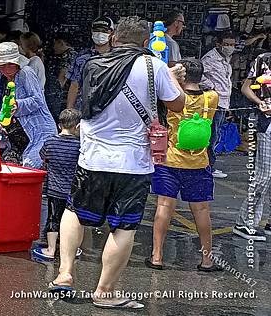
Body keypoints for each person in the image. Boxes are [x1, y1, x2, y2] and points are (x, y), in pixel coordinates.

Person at [49, 16, 185, 309]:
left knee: (74, 211)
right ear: (146, 42)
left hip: (93, 158)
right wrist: (172, 75)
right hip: (133, 163)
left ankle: (65, 274)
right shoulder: (154, 66)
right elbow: (177, 103)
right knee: (124, 227)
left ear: (113, 37)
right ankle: (105, 291)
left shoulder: (92, 65)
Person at [146, 59, 222, 272]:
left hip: (170, 160)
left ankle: (157, 256)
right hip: (199, 163)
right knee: (201, 210)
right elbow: (208, 91)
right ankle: (207, 260)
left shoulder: (174, 99)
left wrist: (170, 75)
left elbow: (171, 96)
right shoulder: (211, 98)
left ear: (181, 76)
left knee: (164, 207)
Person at [0, 42, 56, 168]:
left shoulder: (26, 73)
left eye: (10, 65)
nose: (7, 69)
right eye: (2, 65)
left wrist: (17, 105)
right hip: (12, 136)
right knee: (6, 167)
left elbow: (38, 100)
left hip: (38, 132)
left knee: (32, 167)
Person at [31, 109, 82, 262]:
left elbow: (43, 156)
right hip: (73, 190)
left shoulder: (50, 142)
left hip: (53, 189)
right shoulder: (79, 146)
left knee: (53, 218)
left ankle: (51, 250)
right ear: (77, 127)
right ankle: (73, 249)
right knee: (74, 220)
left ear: (60, 125)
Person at [233, 52, 271, 241]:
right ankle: (245, 222)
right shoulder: (263, 60)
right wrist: (260, 102)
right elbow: (246, 88)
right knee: (263, 175)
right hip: (268, 121)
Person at [200, 32, 236, 179]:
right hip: (214, 101)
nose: (230, 47)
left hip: (223, 102)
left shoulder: (225, 59)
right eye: (227, 44)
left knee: (216, 134)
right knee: (212, 136)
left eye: (232, 44)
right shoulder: (210, 58)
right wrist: (211, 87)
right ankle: (208, 166)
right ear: (218, 44)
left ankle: (208, 165)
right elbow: (199, 75)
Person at [66, 17, 114, 110]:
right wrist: (69, 111)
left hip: (109, 109)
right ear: (92, 31)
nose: (100, 33)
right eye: (97, 30)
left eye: (104, 30)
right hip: (83, 108)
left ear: (112, 33)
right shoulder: (82, 57)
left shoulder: (117, 57)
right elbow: (74, 85)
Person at [45, 33, 75, 119]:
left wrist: (55, 93)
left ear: (61, 43)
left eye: (55, 44)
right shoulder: (73, 54)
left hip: (64, 95)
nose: (54, 47)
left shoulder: (68, 55)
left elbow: (63, 76)